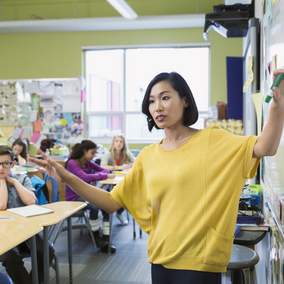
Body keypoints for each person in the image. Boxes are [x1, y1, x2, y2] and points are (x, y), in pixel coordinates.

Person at [34, 71, 284, 284]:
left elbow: (266, 147)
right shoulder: (148, 155)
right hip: (160, 258)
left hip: (200, 262)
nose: (158, 107)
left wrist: (277, 105)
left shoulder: (212, 140)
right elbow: (111, 202)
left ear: (184, 100)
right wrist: (66, 176)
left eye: (165, 97)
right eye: (152, 101)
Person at [0, 146, 54, 284]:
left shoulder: (22, 178)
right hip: (3, 235)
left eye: (5, 163)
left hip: (25, 231)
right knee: (10, 257)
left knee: (47, 250)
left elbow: (31, 201)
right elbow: (1, 206)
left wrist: (14, 182)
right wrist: (2, 182)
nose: (1, 168)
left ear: (12, 163)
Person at [65, 140, 116, 253]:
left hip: (86, 194)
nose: (94, 156)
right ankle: (96, 236)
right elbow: (85, 177)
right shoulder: (72, 163)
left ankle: (106, 238)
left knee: (106, 204)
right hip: (75, 197)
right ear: (85, 151)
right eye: (92, 153)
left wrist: (110, 171)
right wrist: (105, 175)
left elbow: (100, 169)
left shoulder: (87, 161)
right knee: (94, 206)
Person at [102, 135, 135, 225]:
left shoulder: (127, 153)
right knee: (114, 195)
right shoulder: (108, 154)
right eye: (116, 141)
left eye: (121, 142)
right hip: (108, 182)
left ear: (124, 144)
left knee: (128, 195)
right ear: (113, 143)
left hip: (122, 181)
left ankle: (119, 213)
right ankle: (109, 214)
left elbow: (136, 162)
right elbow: (102, 166)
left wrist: (130, 165)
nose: (119, 143)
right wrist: (119, 167)